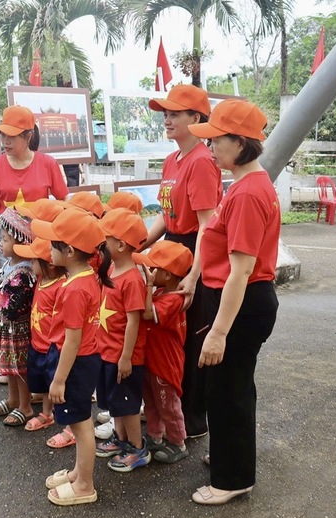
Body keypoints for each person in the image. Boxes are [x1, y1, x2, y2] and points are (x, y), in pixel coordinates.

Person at [187, 100, 280, 505]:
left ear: (240, 144)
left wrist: (219, 332)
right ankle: (230, 455)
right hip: (231, 298)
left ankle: (233, 479)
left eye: (216, 140)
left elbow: (241, 270)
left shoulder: (247, 194)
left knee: (229, 389)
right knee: (229, 387)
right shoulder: (245, 184)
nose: (209, 148)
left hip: (239, 302)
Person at [145, 84, 223, 439]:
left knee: (189, 339)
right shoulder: (172, 160)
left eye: (175, 113)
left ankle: (191, 419)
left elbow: (208, 224)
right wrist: (140, 244)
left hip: (195, 251)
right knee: (164, 337)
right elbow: (167, 213)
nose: (167, 119)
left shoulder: (203, 162)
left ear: (196, 118)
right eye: (165, 113)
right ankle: (163, 408)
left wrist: (193, 276)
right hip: (173, 248)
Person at [0, 105, 68, 384]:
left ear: (28, 136)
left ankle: (37, 361)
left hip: (39, 245)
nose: (5, 141)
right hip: (7, 246)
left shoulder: (48, 164)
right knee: (6, 298)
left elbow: (64, 203)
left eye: (12, 136)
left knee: (38, 299)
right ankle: (6, 363)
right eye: (3, 135)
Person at [31, 208, 112, 506]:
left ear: (68, 250)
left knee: (80, 425)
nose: (47, 250)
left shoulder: (76, 288)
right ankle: (79, 472)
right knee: (81, 422)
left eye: (53, 244)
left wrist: (59, 380)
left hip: (74, 363)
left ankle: (85, 485)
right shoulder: (83, 277)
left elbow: (73, 338)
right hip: (78, 359)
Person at [94, 208, 152, 474]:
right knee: (116, 403)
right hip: (108, 354)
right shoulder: (113, 271)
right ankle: (121, 440)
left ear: (121, 244)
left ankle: (137, 449)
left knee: (127, 405)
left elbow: (134, 321)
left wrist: (127, 356)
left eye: (106, 239)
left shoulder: (131, 280)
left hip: (123, 357)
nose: (102, 245)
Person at [134, 241, 194, 464]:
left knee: (168, 405)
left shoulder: (173, 300)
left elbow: (148, 314)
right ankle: (155, 436)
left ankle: (178, 442)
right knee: (150, 402)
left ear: (168, 275)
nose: (148, 272)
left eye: (153, 268)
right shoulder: (162, 292)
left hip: (165, 365)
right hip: (152, 361)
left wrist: (147, 286)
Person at [0, 209, 37, 426]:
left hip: (18, 327)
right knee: (10, 366)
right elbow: (2, 293)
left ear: (21, 241)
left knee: (20, 368)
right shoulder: (9, 265)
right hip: (8, 326)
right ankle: (13, 399)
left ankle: (26, 406)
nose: (1, 244)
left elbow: (15, 304)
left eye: (5, 239)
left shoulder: (24, 272)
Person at [11, 237, 65, 432]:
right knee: (41, 383)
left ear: (48, 263)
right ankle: (46, 414)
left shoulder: (61, 286)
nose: (30, 264)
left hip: (52, 346)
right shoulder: (40, 280)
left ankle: (65, 421)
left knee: (55, 383)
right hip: (36, 344)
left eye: (34, 260)